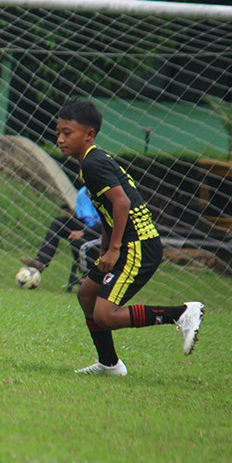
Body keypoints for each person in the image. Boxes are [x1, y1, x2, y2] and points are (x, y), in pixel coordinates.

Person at [55, 100, 203, 376]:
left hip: (137, 246)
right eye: (58, 132)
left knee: (105, 315)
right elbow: (108, 209)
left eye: (67, 133)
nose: (60, 139)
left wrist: (113, 249)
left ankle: (181, 314)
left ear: (89, 134)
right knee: (86, 294)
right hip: (124, 244)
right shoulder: (91, 161)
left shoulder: (93, 164)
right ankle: (109, 364)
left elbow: (121, 203)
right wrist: (105, 247)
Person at [21, 186, 102, 273]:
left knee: (78, 242)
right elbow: (83, 217)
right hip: (85, 226)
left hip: (101, 232)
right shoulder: (82, 192)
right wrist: (72, 215)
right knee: (59, 223)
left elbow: (106, 223)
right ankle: (41, 261)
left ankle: (87, 275)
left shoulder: (105, 194)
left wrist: (83, 233)